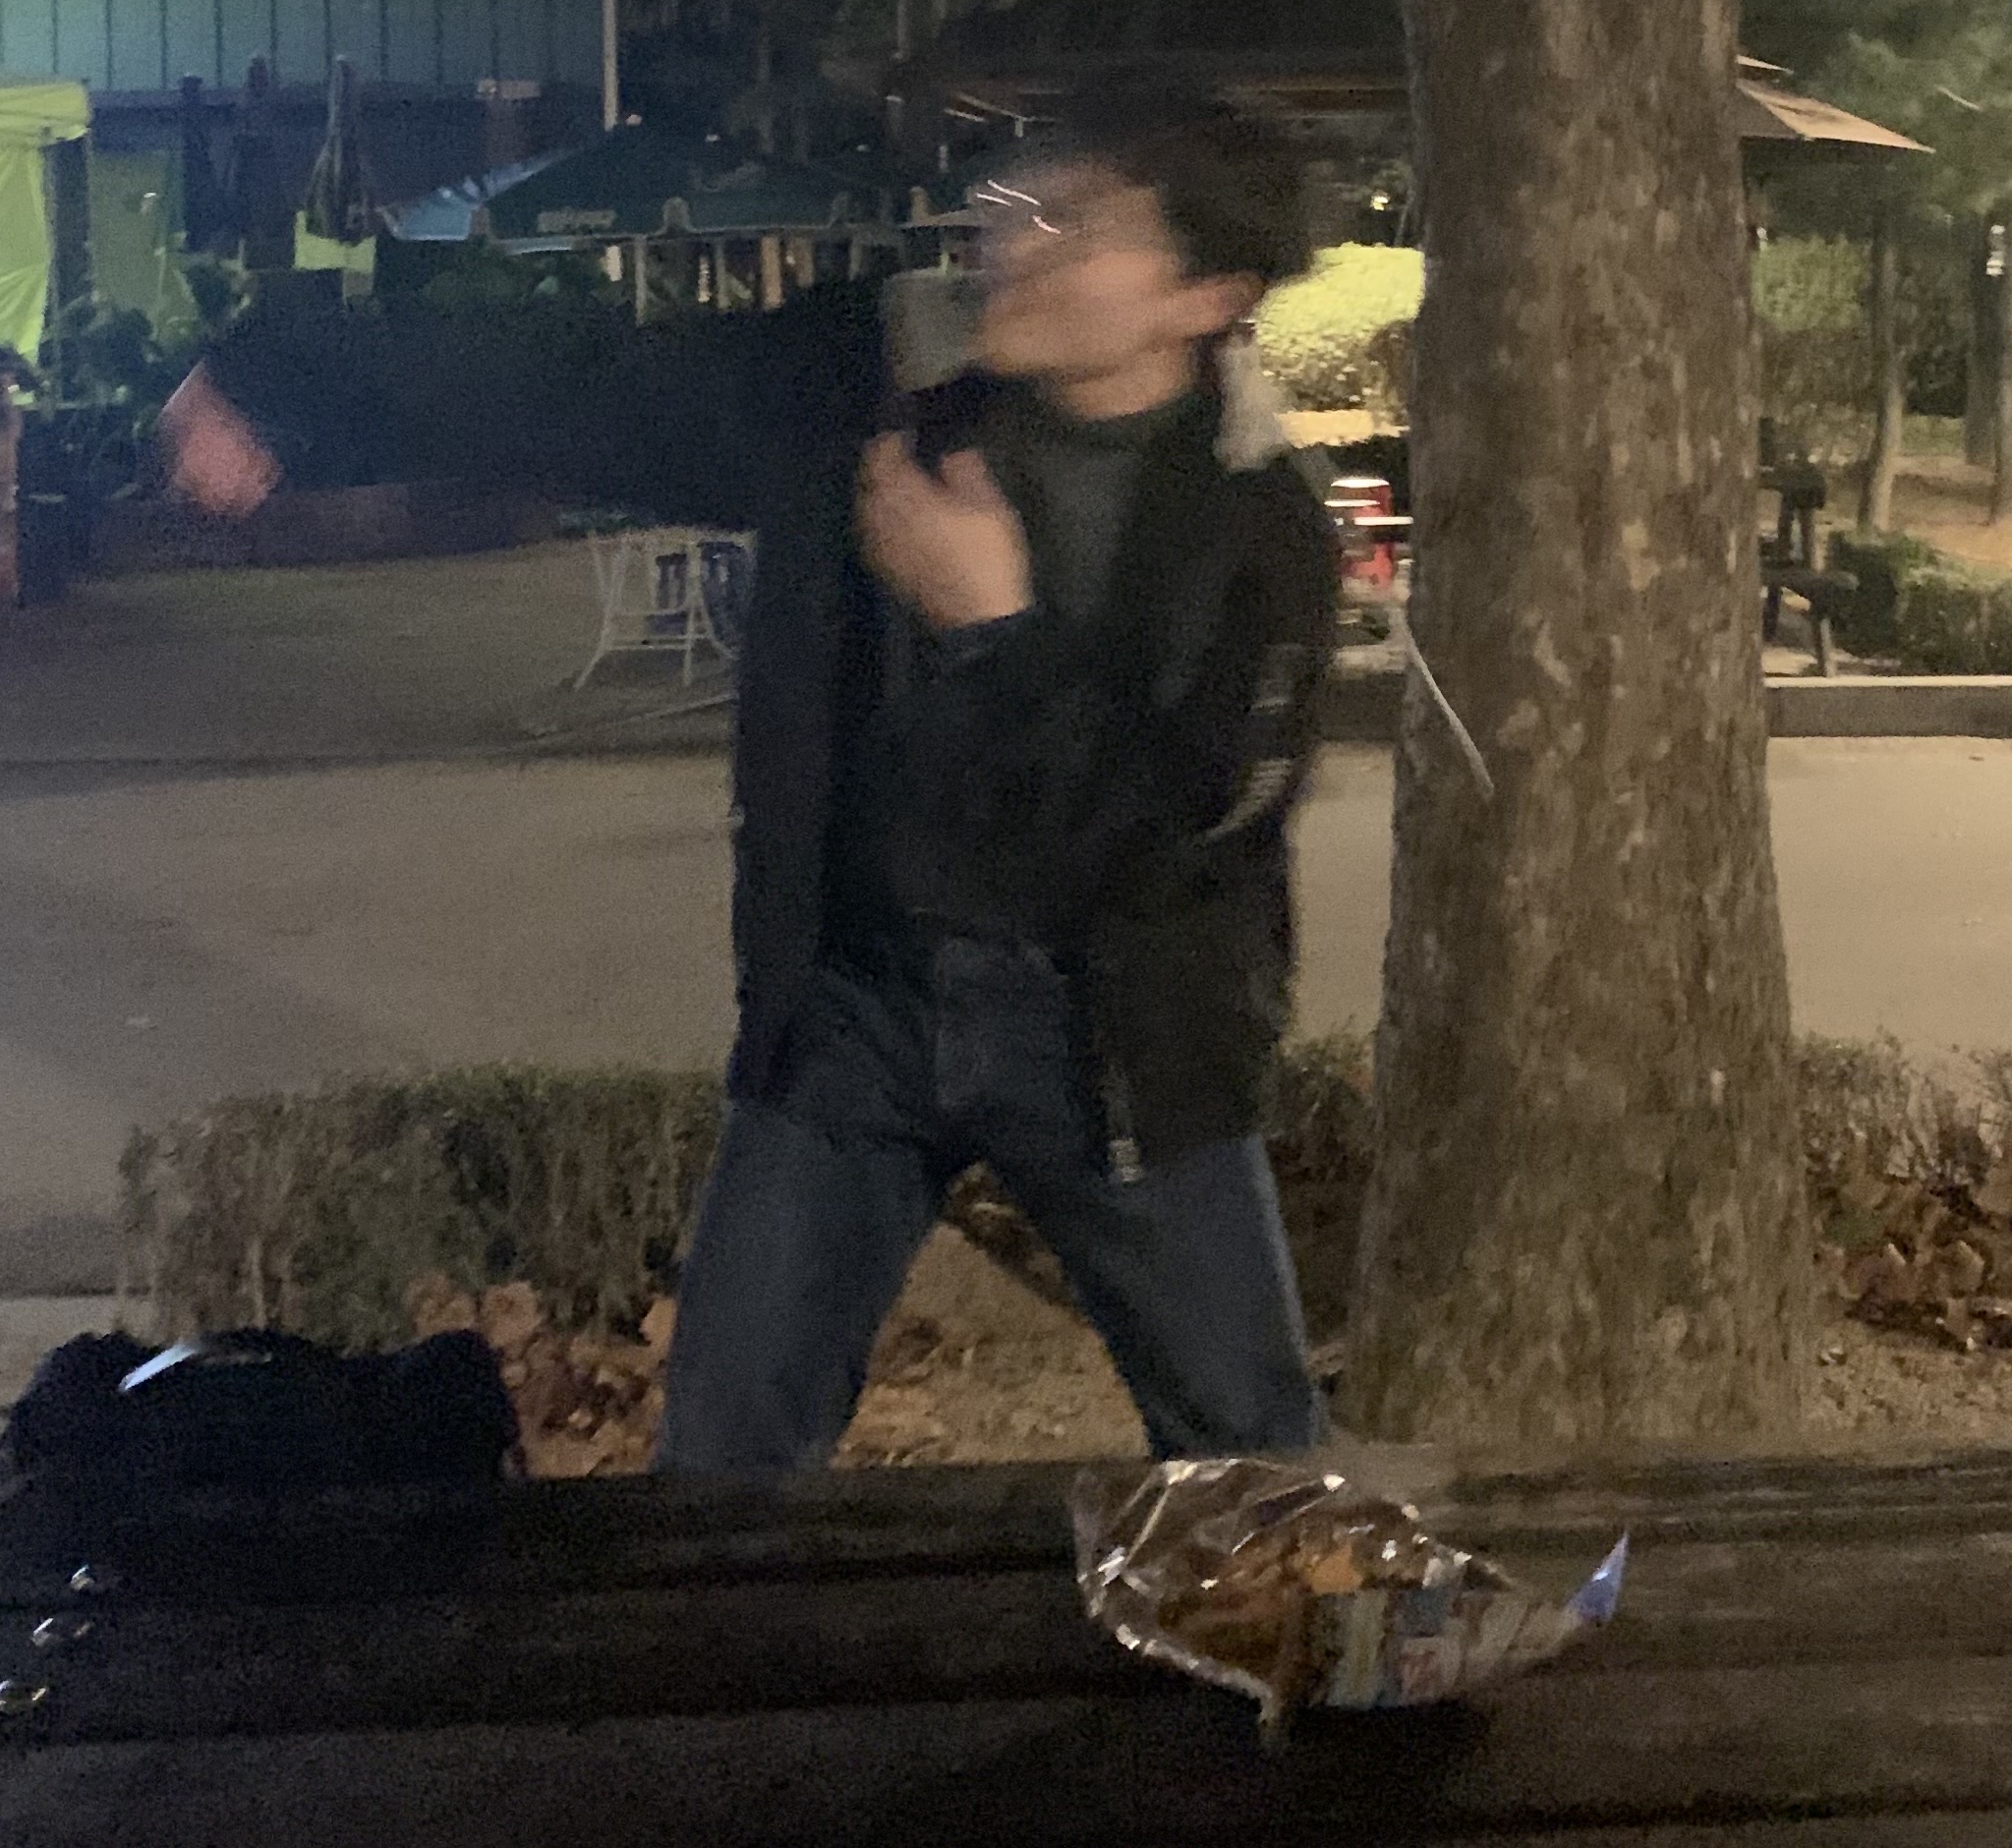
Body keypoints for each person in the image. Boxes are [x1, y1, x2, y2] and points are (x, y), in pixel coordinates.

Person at [160, 82, 1338, 1470]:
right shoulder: (876, 387)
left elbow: (1152, 840)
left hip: (1121, 1041)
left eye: (1082, 225)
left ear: (1207, 299)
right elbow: (591, 390)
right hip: (859, 1007)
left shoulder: (1261, 537)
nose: (1018, 241)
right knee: (723, 1465)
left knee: (1257, 1468)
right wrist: (279, 375)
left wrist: (992, 631)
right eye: (1024, 200)